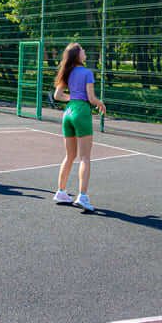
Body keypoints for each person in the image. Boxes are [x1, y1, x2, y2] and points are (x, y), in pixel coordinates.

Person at [52, 42, 107, 211]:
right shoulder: (87, 72)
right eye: (82, 50)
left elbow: (57, 95)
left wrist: (72, 98)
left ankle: (61, 192)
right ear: (77, 55)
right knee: (84, 158)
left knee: (70, 156)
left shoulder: (67, 72)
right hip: (81, 112)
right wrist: (100, 103)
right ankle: (82, 197)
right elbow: (91, 98)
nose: (84, 51)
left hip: (68, 113)